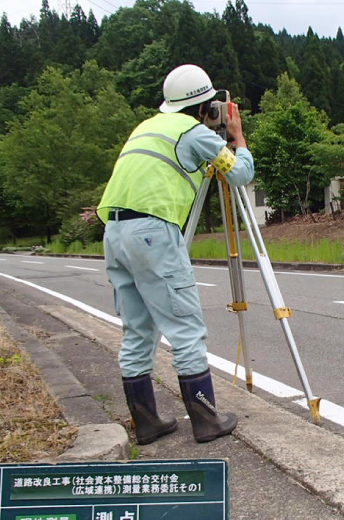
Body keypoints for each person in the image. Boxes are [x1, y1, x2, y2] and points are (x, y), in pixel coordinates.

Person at [96, 64, 254, 445]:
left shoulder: (146, 128)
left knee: (137, 331)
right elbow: (239, 174)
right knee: (185, 329)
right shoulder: (193, 132)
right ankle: (206, 420)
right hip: (152, 232)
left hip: (114, 232)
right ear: (203, 107)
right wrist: (238, 138)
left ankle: (147, 423)